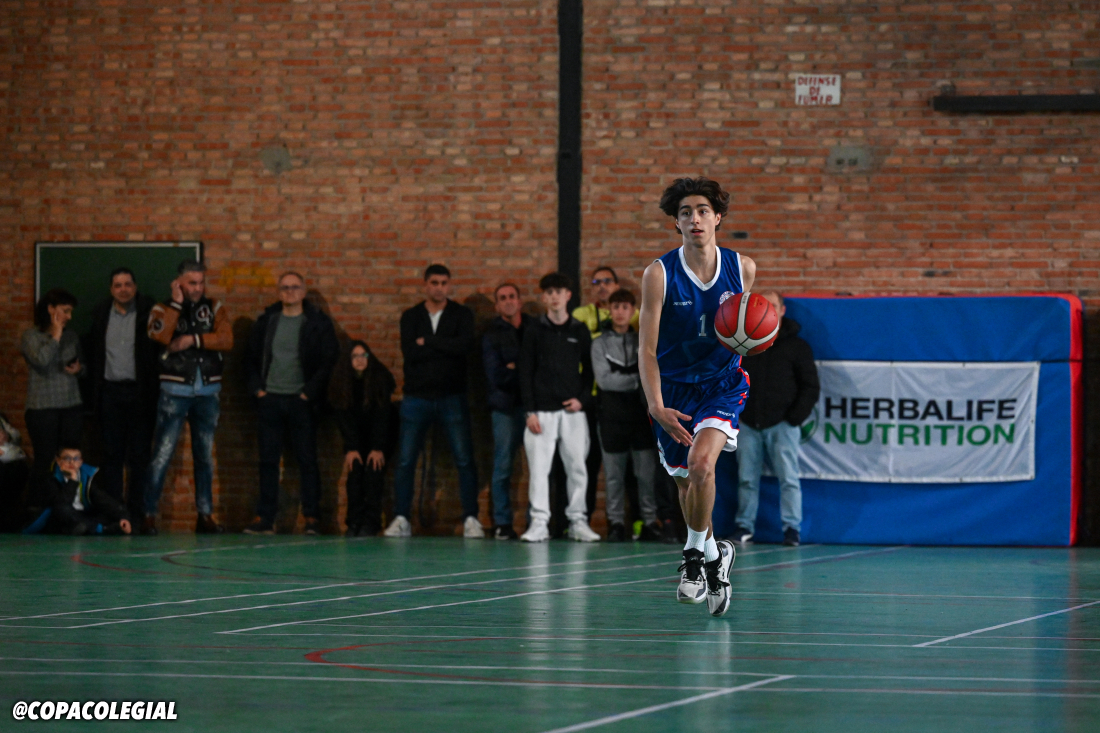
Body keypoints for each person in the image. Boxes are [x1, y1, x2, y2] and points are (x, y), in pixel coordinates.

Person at [639, 176, 755, 618]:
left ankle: (691, 558)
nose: (695, 219)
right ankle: (714, 558)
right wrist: (655, 405)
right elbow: (646, 350)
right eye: (685, 212)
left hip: (723, 382)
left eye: (703, 210)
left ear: (718, 217)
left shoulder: (742, 268)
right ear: (676, 223)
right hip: (673, 389)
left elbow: (745, 327)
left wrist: (755, 339)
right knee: (688, 483)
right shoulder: (659, 274)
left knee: (702, 464)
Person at [387, 264, 482, 538]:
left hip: (453, 396)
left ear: (449, 285)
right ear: (425, 285)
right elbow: (410, 353)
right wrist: (444, 346)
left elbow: (464, 347)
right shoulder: (411, 316)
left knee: (464, 459)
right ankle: (401, 517)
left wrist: (428, 341)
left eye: (443, 283)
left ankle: (471, 518)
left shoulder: (461, 314)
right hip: (416, 397)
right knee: (406, 460)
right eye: (434, 282)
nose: (439, 288)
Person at [243, 272, 339, 535]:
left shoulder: (317, 322)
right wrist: (258, 390)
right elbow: (250, 357)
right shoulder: (267, 321)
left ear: (304, 291)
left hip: (302, 402)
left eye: (295, 287)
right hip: (270, 400)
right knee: (268, 462)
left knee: (307, 460)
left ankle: (312, 518)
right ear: (279, 291)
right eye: (285, 287)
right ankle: (265, 518)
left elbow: (329, 359)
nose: (290, 292)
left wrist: (309, 392)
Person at [143, 260, 233, 535]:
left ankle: (204, 515)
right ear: (179, 282)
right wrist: (176, 303)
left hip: (207, 391)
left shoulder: (214, 307)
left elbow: (227, 339)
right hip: (174, 390)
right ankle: (148, 514)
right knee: (162, 455)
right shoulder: (162, 308)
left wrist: (193, 339)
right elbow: (159, 335)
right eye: (192, 283)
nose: (198, 288)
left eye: (201, 282)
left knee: (204, 457)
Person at [732, 291, 820, 547]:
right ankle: (744, 527)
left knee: (788, 479)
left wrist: (793, 419)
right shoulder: (744, 345)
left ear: (781, 310)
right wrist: (737, 415)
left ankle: (792, 529)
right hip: (748, 424)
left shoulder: (797, 346)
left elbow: (810, 386)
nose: (768, 309)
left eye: (773, 305)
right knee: (746, 479)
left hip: (783, 425)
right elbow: (731, 380)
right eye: (763, 305)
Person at [519, 273, 600, 543]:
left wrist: (582, 400)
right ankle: (539, 523)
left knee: (577, 468)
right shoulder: (533, 330)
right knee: (539, 470)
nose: (554, 296)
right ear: (544, 297)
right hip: (541, 413)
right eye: (549, 292)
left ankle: (577, 522)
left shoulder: (579, 330)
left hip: (573, 412)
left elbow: (590, 371)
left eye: (559, 291)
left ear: (568, 295)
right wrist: (529, 411)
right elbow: (525, 372)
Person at [85, 267, 159, 523]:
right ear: (111, 289)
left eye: (128, 284)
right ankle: (116, 515)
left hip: (140, 394)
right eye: (118, 285)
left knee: (140, 457)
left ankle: (136, 515)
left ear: (135, 287)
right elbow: (93, 353)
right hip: (109, 393)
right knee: (111, 456)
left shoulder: (149, 314)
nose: (123, 289)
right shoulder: (101, 315)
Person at [591, 288, 660, 542]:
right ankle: (616, 523)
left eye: (625, 307)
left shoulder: (643, 341)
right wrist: (638, 380)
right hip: (611, 417)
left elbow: (653, 373)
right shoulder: (599, 343)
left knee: (645, 475)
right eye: (616, 307)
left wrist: (639, 380)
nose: (620, 312)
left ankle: (650, 522)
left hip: (641, 418)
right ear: (609, 310)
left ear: (633, 311)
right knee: (613, 476)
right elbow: (604, 380)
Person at [571, 267, 639, 520]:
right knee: (591, 464)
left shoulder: (637, 319)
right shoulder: (581, 314)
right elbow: (595, 364)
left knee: (637, 469)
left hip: (631, 405)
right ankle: (588, 519)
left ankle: (639, 521)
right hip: (591, 398)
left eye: (607, 281)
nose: (601, 285)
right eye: (596, 281)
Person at [21, 288, 83, 507]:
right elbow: (42, 360)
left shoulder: (72, 336)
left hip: (71, 405)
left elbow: (83, 366)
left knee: (69, 458)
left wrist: (79, 369)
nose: (69, 317)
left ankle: (67, 507)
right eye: (65, 311)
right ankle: (37, 508)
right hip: (42, 408)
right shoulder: (31, 336)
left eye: (70, 312)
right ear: (50, 309)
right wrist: (55, 334)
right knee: (45, 459)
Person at [482, 283, 534, 540]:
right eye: (502, 298)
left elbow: (540, 367)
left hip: (533, 407)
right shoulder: (491, 334)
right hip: (504, 408)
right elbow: (496, 375)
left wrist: (516, 366)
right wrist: (521, 371)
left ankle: (536, 522)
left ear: (519, 301)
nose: (508, 301)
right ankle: (502, 523)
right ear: (497, 305)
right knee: (503, 465)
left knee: (537, 468)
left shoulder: (533, 328)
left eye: (512, 296)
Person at [329, 340, 396, 537]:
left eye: (363, 355)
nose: (360, 360)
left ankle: (371, 522)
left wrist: (378, 447)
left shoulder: (380, 379)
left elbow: (383, 417)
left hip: (380, 437)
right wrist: (351, 448)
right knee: (355, 472)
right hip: (355, 439)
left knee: (374, 473)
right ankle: (354, 521)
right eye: (355, 356)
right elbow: (344, 420)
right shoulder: (341, 384)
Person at [47, 446, 131, 535]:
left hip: (83, 515)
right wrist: (72, 481)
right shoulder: (52, 478)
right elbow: (62, 503)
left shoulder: (86, 476)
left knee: (104, 515)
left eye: (76, 459)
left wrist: (123, 516)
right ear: (58, 460)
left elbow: (102, 499)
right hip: (65, 515)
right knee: (62, 511)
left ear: (81, 462)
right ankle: (102, 529)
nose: (72, 462)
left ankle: (87, 528)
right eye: (67, 458)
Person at [0, 413, 30, 532]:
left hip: (8, 458)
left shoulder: (1, 419)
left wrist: (7, 436)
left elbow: (16, 437)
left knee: (20, 467)